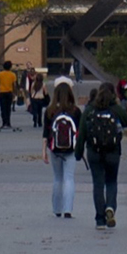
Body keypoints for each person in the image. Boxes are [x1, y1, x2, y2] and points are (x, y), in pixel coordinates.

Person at [80, 84, 127, 229]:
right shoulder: (114, 109)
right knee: (111, 182)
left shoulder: (90, 109)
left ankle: (100, 219)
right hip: (113, 151)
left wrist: (78, 152)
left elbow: (82, 132)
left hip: (94, 152)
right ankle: (110, 207)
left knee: (98, 184)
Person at [43, 81, 80, 218]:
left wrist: (44, 151)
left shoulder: (50, 111)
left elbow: (45, 133)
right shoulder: (75, 111)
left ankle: (57, 209)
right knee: (69, 178)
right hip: (70, 149)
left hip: (55, 149)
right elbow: (80, 132)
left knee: (58, 178)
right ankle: (68, 209)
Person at [0, 60, 19, 129]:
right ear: (10, 67)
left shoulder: (0, 74)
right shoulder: (12, 75)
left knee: (3, 108)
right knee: (8, 108)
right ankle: (8, 123)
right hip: (9, 92)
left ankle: (4, 122)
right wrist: (15, 93)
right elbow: (14, 85)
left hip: (2, 92)